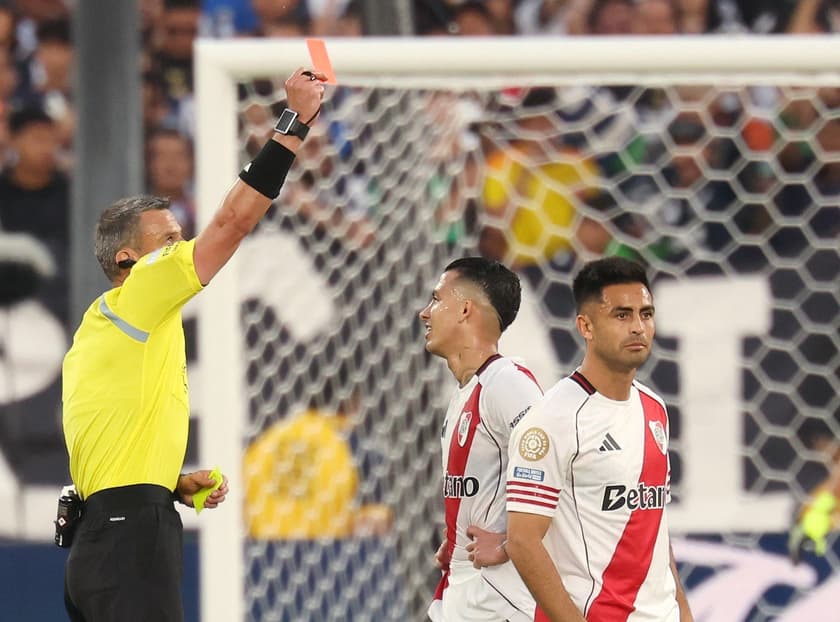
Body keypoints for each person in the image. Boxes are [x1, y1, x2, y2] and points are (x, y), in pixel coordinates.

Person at [61, 67, 325, 622]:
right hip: (129, 536)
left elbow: (107, 445)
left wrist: (171, 484)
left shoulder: (104, 329)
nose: (183, 249)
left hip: (103, 537)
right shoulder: (140, 293)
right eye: (169, 241)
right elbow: (232, 222)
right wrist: (294, 122)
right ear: (127, 259)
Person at [505, 257, 693, 621]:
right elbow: (522, 541)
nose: (638, 327)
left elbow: (654, 528)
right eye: (622, 315)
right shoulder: (552, 420)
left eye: (646, 313)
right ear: (585, 326)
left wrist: (683, 612)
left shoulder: (654, 408)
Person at [419, 256, 543, 622]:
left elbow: (562, 472)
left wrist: (508, 542)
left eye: (436, 299)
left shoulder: (508, 383)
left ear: (465, 310)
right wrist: (456, 540)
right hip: (461, 593)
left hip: (496, 604)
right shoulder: (466, 392)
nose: (425, 313)